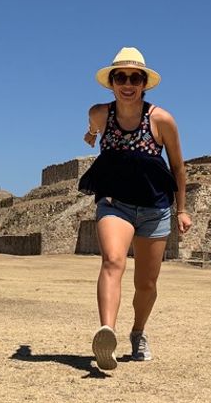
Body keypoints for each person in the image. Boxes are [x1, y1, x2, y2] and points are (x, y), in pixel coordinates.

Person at [78, 47, 192, 371]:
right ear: (111, 82)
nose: (127, 83)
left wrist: (181, 210)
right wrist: (91, 133)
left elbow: (179, 168)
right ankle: (107, 334)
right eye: (121, 77)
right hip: (115, 204)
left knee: (146, 284)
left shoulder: (161, 120)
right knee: (113, 261)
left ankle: (138, 332)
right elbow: (92, 122)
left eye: (134, 78)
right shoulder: (102, 114)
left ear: (144, 83)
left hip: (155, 209)